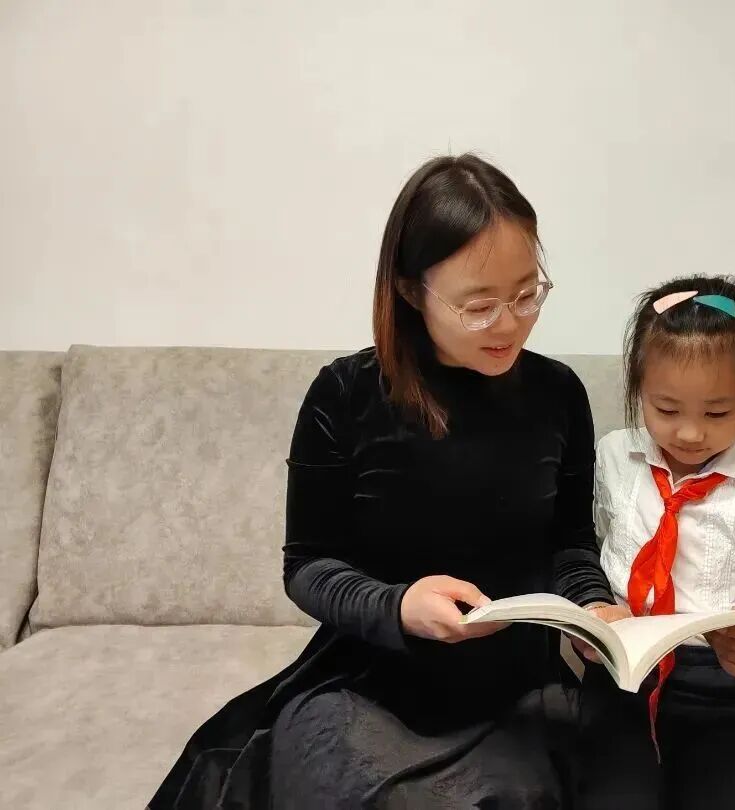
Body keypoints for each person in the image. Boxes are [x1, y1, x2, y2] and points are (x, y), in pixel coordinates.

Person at [148, 153, 618, 809]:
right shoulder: (344, 395)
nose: (510, 323)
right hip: (366, 679)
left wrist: (595, 609)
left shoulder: (559, 393)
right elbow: (307, 567)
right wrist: (398, 607)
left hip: (512, 684)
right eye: (479, 305)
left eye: (525, 294)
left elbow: (570, 541)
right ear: (409, 291)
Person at [575, 275, 735, 810]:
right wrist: (593, 617)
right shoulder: (613, 458)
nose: (690, 434)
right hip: (624, 683)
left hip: (728, 691)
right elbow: (585, 549)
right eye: (666, 409)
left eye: (717, 413)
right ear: (637, 389)